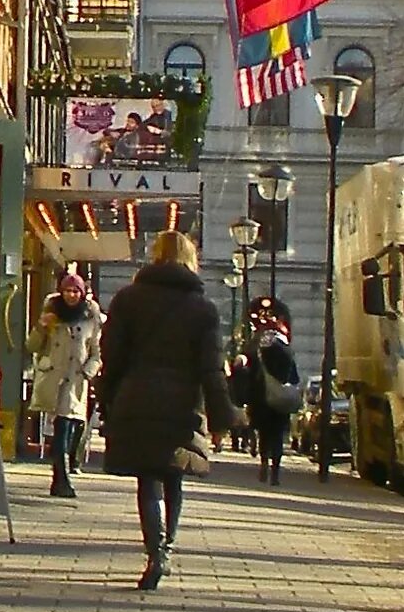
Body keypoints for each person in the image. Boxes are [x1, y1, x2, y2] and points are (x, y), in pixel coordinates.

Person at [100, 229, 234, 591]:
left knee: (147, 479)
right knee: (173, 475)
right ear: (192, 260)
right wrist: (223, 417)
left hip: (137, 397)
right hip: (182, 403)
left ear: (154, 256)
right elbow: (211, 369)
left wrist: (107, 400)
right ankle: (167, 549)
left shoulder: (128, 299)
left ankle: (154, 551)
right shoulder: (203, 309)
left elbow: (111, 356)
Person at [30, 269, 102, 498]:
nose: (71, 295)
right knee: (61, 429)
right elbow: (32, 346)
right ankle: (61, 480)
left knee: (72, 429)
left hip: (76, 380)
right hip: (55, 378)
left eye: (75, 291)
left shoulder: (90, 319)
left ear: (82, 294)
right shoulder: (50, 314)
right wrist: (42, 326)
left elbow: (97, 353)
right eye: (67, 291)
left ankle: (65, 471)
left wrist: (88, 372)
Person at [244, 299, 303, 486]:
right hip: (279, 400)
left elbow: (249, 373)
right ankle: (275, 471)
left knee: (264, 434)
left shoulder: (256, 348)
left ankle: (263, 464)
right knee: (277, 436)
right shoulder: (285, 350)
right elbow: (294, 377)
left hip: (261, 398)